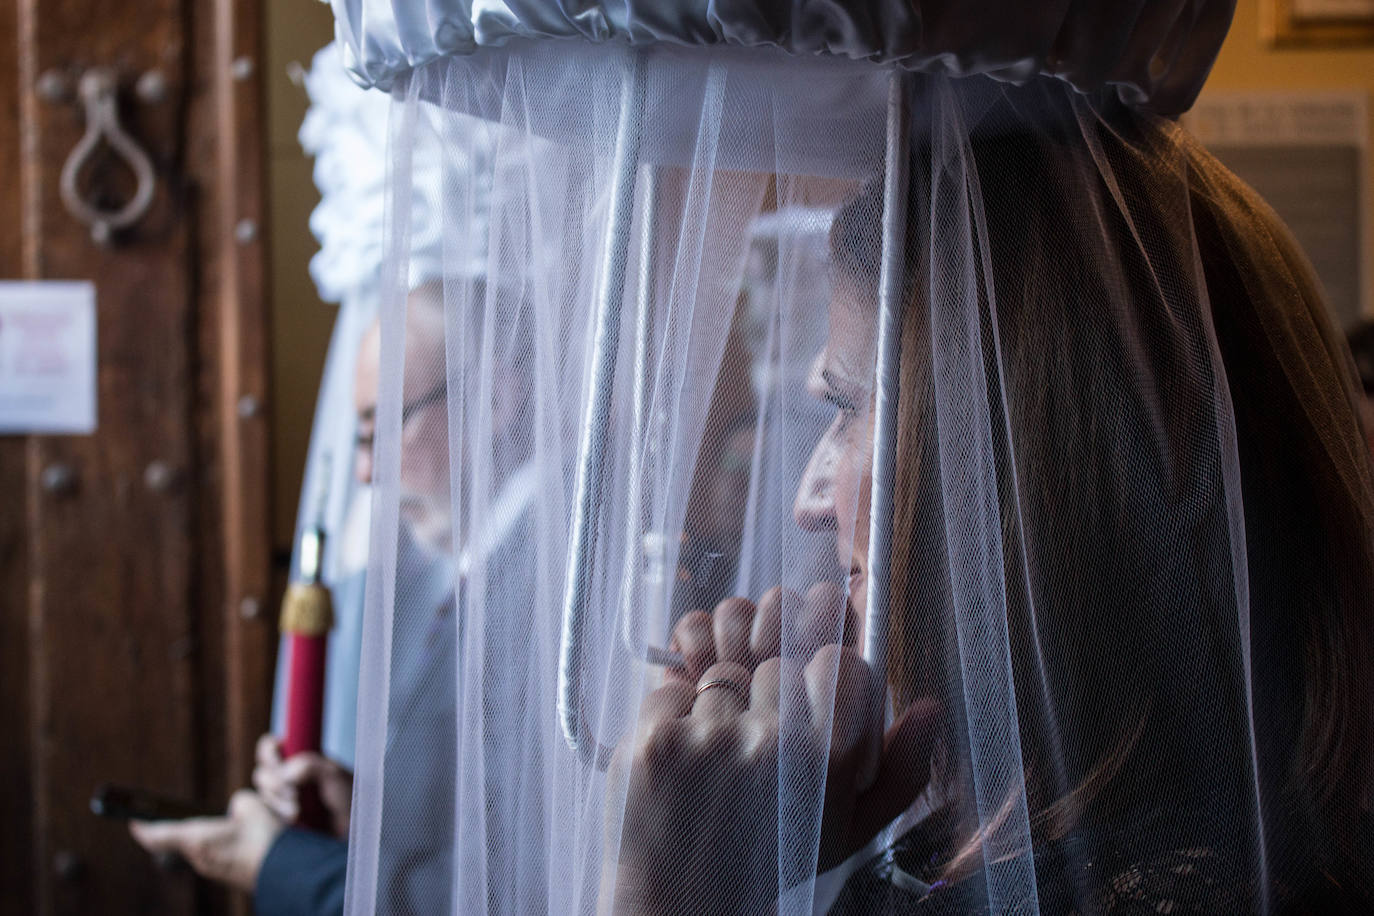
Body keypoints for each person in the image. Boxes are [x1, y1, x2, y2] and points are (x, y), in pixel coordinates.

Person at [604, 85, 1374, 914]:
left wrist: (666, 888)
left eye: (851, 407)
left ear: (1028, 460)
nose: (808, 501)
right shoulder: (1036, 833)